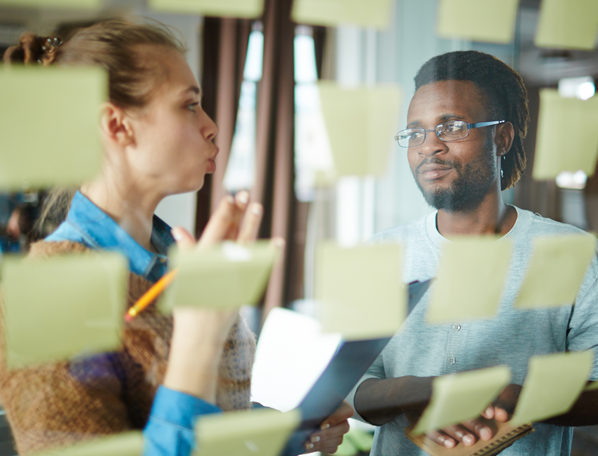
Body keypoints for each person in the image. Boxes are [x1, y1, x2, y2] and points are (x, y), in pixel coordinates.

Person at [0, 19, 351, 456]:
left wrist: (289, 430)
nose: (212, 127)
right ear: (116, 125)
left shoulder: (170, 257)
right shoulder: (47, 293)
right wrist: (199, 340)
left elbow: (211, 413)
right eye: (189, 105)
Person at [346, 50, 598, 456]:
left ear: (501, 137)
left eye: (452, 127)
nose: (429, 147)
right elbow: (354, 389)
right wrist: (410, 391)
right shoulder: (380, 254)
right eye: (415, 133)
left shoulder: (575, 255)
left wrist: (527, 399)